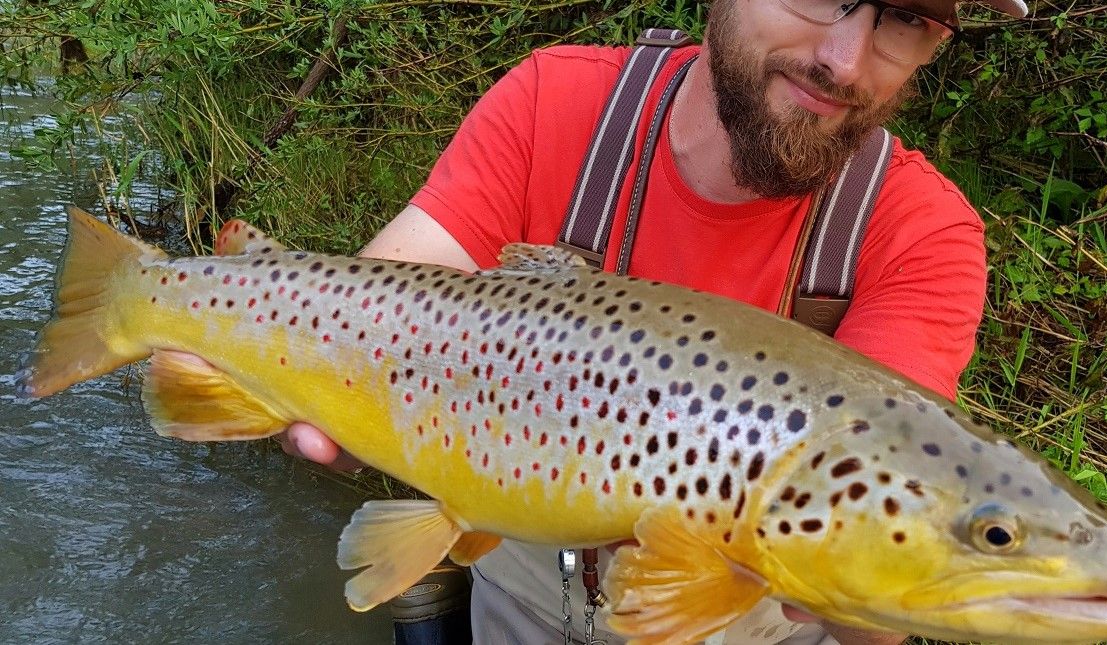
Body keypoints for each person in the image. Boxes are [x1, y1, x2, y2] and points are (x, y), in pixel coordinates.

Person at [274, 0, 1030, 642]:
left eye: (907, 17)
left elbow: (885, 579)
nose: (844, 59)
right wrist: (304, 376)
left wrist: (886, 591)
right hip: (524, 595)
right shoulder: (556, 102)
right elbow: (390, 300)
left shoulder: (921, 232)